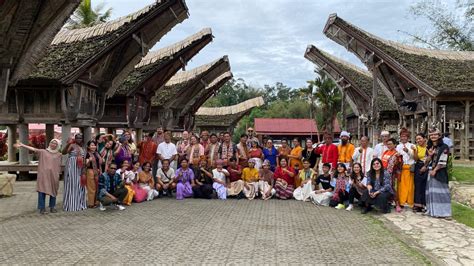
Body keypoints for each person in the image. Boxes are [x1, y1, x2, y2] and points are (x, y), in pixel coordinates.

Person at [15, 139, 62, 214]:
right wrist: (22, 145)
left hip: (54, 176)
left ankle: (52, 207)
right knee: (42, 190)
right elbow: (34, 149)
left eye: (55, 143)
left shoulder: (59, 154)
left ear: (58, 145)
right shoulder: (43, 152)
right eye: (51, 142)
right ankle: (42, 208)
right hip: (43, 175)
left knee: (53, 190)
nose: (53, 144)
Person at [423, 128, 451, 218]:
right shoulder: (429, 147)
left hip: (440, 171)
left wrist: (435, 170)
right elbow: (426, 161)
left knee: (442, 192)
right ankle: (432, 211)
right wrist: (430, 155)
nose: (433, 136)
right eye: (431, 135)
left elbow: (443, 161)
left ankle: (445, 213)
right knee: (431, 192)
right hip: (430, 171)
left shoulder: (444, 147)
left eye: (435, 134)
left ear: (439, 136)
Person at [62, 133, 87, 212]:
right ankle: (71, 205)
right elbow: (64, 152)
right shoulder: (72, 145)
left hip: (80, 167)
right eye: (77, 138)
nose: (79, 139)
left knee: (80, 184)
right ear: (75, 139)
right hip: (72, 166)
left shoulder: (83, 147)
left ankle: (79, 204)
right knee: (72, 184)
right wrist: (68, 144)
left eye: (80, 138)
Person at [381, 138, 402, 212]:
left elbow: (398, 164)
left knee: (393, 188)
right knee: (385, 188)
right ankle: (388, 202)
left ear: (395, 145)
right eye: (387, 144)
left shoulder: (396, 154)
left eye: (390, 144)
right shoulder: (386, 152)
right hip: (384, 173)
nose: (388, 146)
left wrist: (398, 159)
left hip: (392, 174)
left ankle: (397, 204)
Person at [396, 128, 415, 209]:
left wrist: (408, 151)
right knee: (401, 186)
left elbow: (414, 157)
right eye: (402, 136)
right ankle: (401, 202)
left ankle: (410, 201)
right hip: (401, 168)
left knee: (410, 186)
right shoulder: (398, 146)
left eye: (405, 136)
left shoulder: (412, 145)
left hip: (409, 168)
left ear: (408, 137)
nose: (403, 138)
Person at [413, 133, 428, 212]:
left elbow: (430, 158)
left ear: (424, 138)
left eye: (420, 138)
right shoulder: (416, 147)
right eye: (417, 139)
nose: (418, 140)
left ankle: (424, 204)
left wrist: (425, 166)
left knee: (425, 186)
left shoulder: (428, 147)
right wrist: (415, 151)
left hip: (426, 167)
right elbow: (415, 159)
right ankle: (417, 204)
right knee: (417, 185)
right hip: (418, 167)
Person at [85, 140, 102, 208]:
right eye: (91, 145)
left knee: (97, 187)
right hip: (90, 171)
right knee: (91, 188)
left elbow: (100, 162)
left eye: (94, 145)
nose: (93, 146)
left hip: (97, 172)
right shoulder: (87, 154)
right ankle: (91, 203)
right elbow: (85, 163)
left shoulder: (97, 153)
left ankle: (96, 202)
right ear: (88, 147)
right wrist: (89, 160)